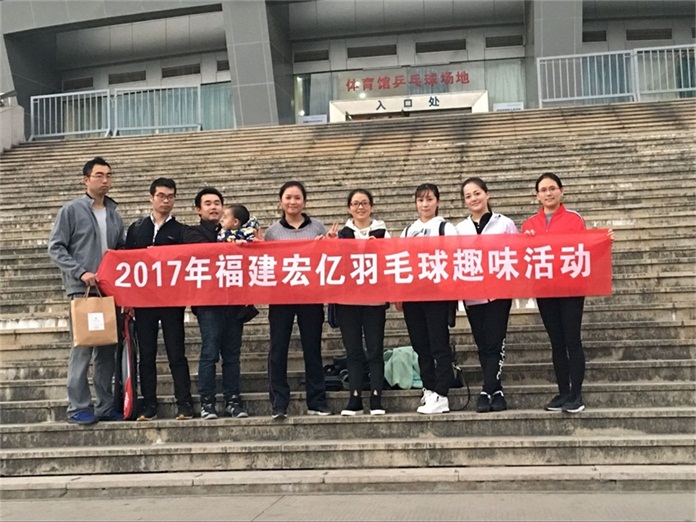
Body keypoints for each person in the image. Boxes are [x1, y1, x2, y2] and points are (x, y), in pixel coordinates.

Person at [47, 157, 125, 425]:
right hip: (82, 291)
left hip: (109, 292)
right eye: (99, 175)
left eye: (108, 175)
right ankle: (78, 406)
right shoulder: (71, 210)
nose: (105, 180)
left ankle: (105, 406)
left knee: (107, 351)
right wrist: (80, 272)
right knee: (82, 348)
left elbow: (120, 250)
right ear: (86, 180)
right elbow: (56, 247)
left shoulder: (114, 214)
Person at [125, 178, 193, 421]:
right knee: (147, 354)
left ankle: (184, 403)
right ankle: (149, 404)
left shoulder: (181, 230)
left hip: (172, 301)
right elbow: (127, 263)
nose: (166, 200)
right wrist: (128, 299)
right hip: (144, 302)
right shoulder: (136, 229)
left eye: (170, 196)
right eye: (161, 196)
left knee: (177, 353)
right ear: (151, 197)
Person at [522, 172, 589, 414]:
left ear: (561, 191)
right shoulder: (530, 225)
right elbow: (523, 255)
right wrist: (525, 241)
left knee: (572, 339)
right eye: (543, 190)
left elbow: (586, 248)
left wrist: (604, 240)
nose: (548, 193)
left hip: (571, 290)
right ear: (537, 195)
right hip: (545, 290)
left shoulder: (574, 219)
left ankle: (576, 394)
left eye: (552, 188)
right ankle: (563, 392)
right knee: (557, 341)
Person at [264, 181, 332, 419]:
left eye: (297, 198)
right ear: (281, 201)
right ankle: (279, 402)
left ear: (304, 201)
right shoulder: (272, 232)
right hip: (280, 297)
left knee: (312, 348)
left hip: (311, 296)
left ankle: (317, 401)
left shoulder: (317, 227)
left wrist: (329, 244)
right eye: (288, 197)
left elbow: (327, 259)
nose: (292, 202)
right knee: (278, 349)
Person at [183, 187, 249, 420]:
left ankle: (233, 400)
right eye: (208, 203)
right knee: (209, 353)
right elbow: (204, 253)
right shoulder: (192, 233)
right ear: (198, 210)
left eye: (217, 203)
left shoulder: (239, 233)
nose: (213, 207)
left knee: (232, 355)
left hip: (234, 302)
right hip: (208, 303)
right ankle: (207, 402)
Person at [455, 177, 517, 413]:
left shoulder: (505, 224)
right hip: (472, 295)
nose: (473, 198)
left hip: (499, 293)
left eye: (477, 193)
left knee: (495, 341)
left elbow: (518, 253)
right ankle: (495, 389)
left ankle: (488, 389)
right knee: (482, 343)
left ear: (487, 194)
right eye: (468, 196)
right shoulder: (459, 229)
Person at [326, 189, 390, 416]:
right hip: (348, 302)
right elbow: (332, 265)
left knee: (375, 350)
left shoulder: (382, 232)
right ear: (349, 208)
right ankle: (354, 399)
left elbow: (392, 262)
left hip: (375, 301)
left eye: (364, 203)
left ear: (371, 206)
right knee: (353, 352)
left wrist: (380, 249)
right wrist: (331, 245)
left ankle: (376, 399)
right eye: (355, 203)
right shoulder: (342, 234)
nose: (360, 207)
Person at [398, 183, 457, 414]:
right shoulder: (408, 230)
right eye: (421, 200)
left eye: (429, 199)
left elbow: (453, 257)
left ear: (437, 202)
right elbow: (400, 262)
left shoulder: (445, 227)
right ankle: (429, 388)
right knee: (420, 345)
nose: (425, 204)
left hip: (437, 294)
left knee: (438, 344)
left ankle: (442, 393)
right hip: (413, 295)